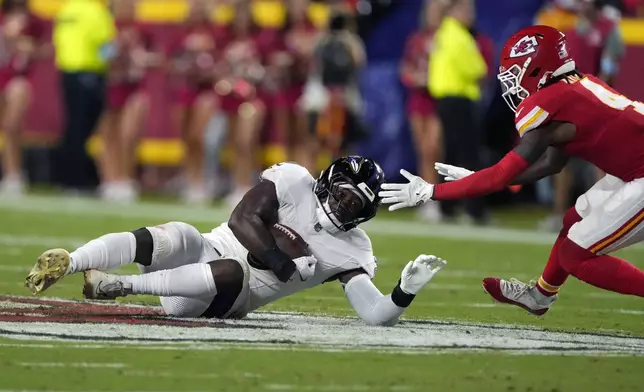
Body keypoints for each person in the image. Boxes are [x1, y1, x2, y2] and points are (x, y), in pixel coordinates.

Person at [379, 25, 644, 316]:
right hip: (630, 172)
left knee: (575, 255)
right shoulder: (574, 87)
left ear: (537, 68)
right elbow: (550, 164)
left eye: (515, 73)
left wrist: (431, 191)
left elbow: (503, 175)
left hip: (639, 175)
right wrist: (476, 179)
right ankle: (540, 296)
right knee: (573, 221)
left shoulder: (552, 100)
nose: (512, 83)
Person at [25, 156, 446, 325]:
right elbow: (242, 218)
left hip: (218, 298)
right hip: (204, 254)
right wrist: (280, 263)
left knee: (232, 270)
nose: (343, 205)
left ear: (367, 211)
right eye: (340, 193)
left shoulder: (354, 250)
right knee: (181, 233)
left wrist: (403, 292)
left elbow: (375, 315)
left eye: (355, 203)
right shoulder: (293, 180)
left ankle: (117, 286)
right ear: (325, 183)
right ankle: (74, 260)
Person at [428, 0, 489, 225]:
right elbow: (478, 70)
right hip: (460, 99)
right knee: (468, 155)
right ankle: (474, 210)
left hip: (445, 100)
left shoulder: (443, 33)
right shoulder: (459, 36)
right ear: (455, 11)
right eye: (466, 9)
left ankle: (447, 205)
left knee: (451, 153)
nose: (470, 14)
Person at [97, 0, 162, 203]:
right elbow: (99, 55)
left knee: (129, 133)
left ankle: (125, 178)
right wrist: (115, 47)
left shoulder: (143, 30)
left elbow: (158, 58)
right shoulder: (104, 26)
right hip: (109, 86)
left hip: (134, 88)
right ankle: (109, 179)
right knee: (108, 134)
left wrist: (138, 54)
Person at [53, 0, 116, 193]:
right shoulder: (96, 10)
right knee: (85, 127)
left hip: (67, 72)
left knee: (73, 126)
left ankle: (68, 177)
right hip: (89, 72)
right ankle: (78, 179)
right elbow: (106, 46)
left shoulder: (67, 9)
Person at [168, 0, 221, 204]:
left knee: (198, 135)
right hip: (185, 90)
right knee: (186, 138)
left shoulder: (215, 33)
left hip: (206, 90)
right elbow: (170, 61)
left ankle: (203, 179)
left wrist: (208, 71)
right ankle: (191, 179)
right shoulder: (181, 33)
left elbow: (220, 62)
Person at [400, 0, 445, 222]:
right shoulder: (416, 39)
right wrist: (415, 78)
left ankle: (437, 198)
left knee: (433, 148)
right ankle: (426, 199)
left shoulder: (448, 38)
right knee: (423, 151)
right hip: (418, 100)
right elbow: (405, 68)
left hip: (438, 99)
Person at [0, 0, 47, 196]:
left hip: (17, 78)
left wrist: (28, 47)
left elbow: (46, 50)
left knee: (12, 125)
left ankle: (14, 174)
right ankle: (9, 173)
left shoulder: (35, 21)